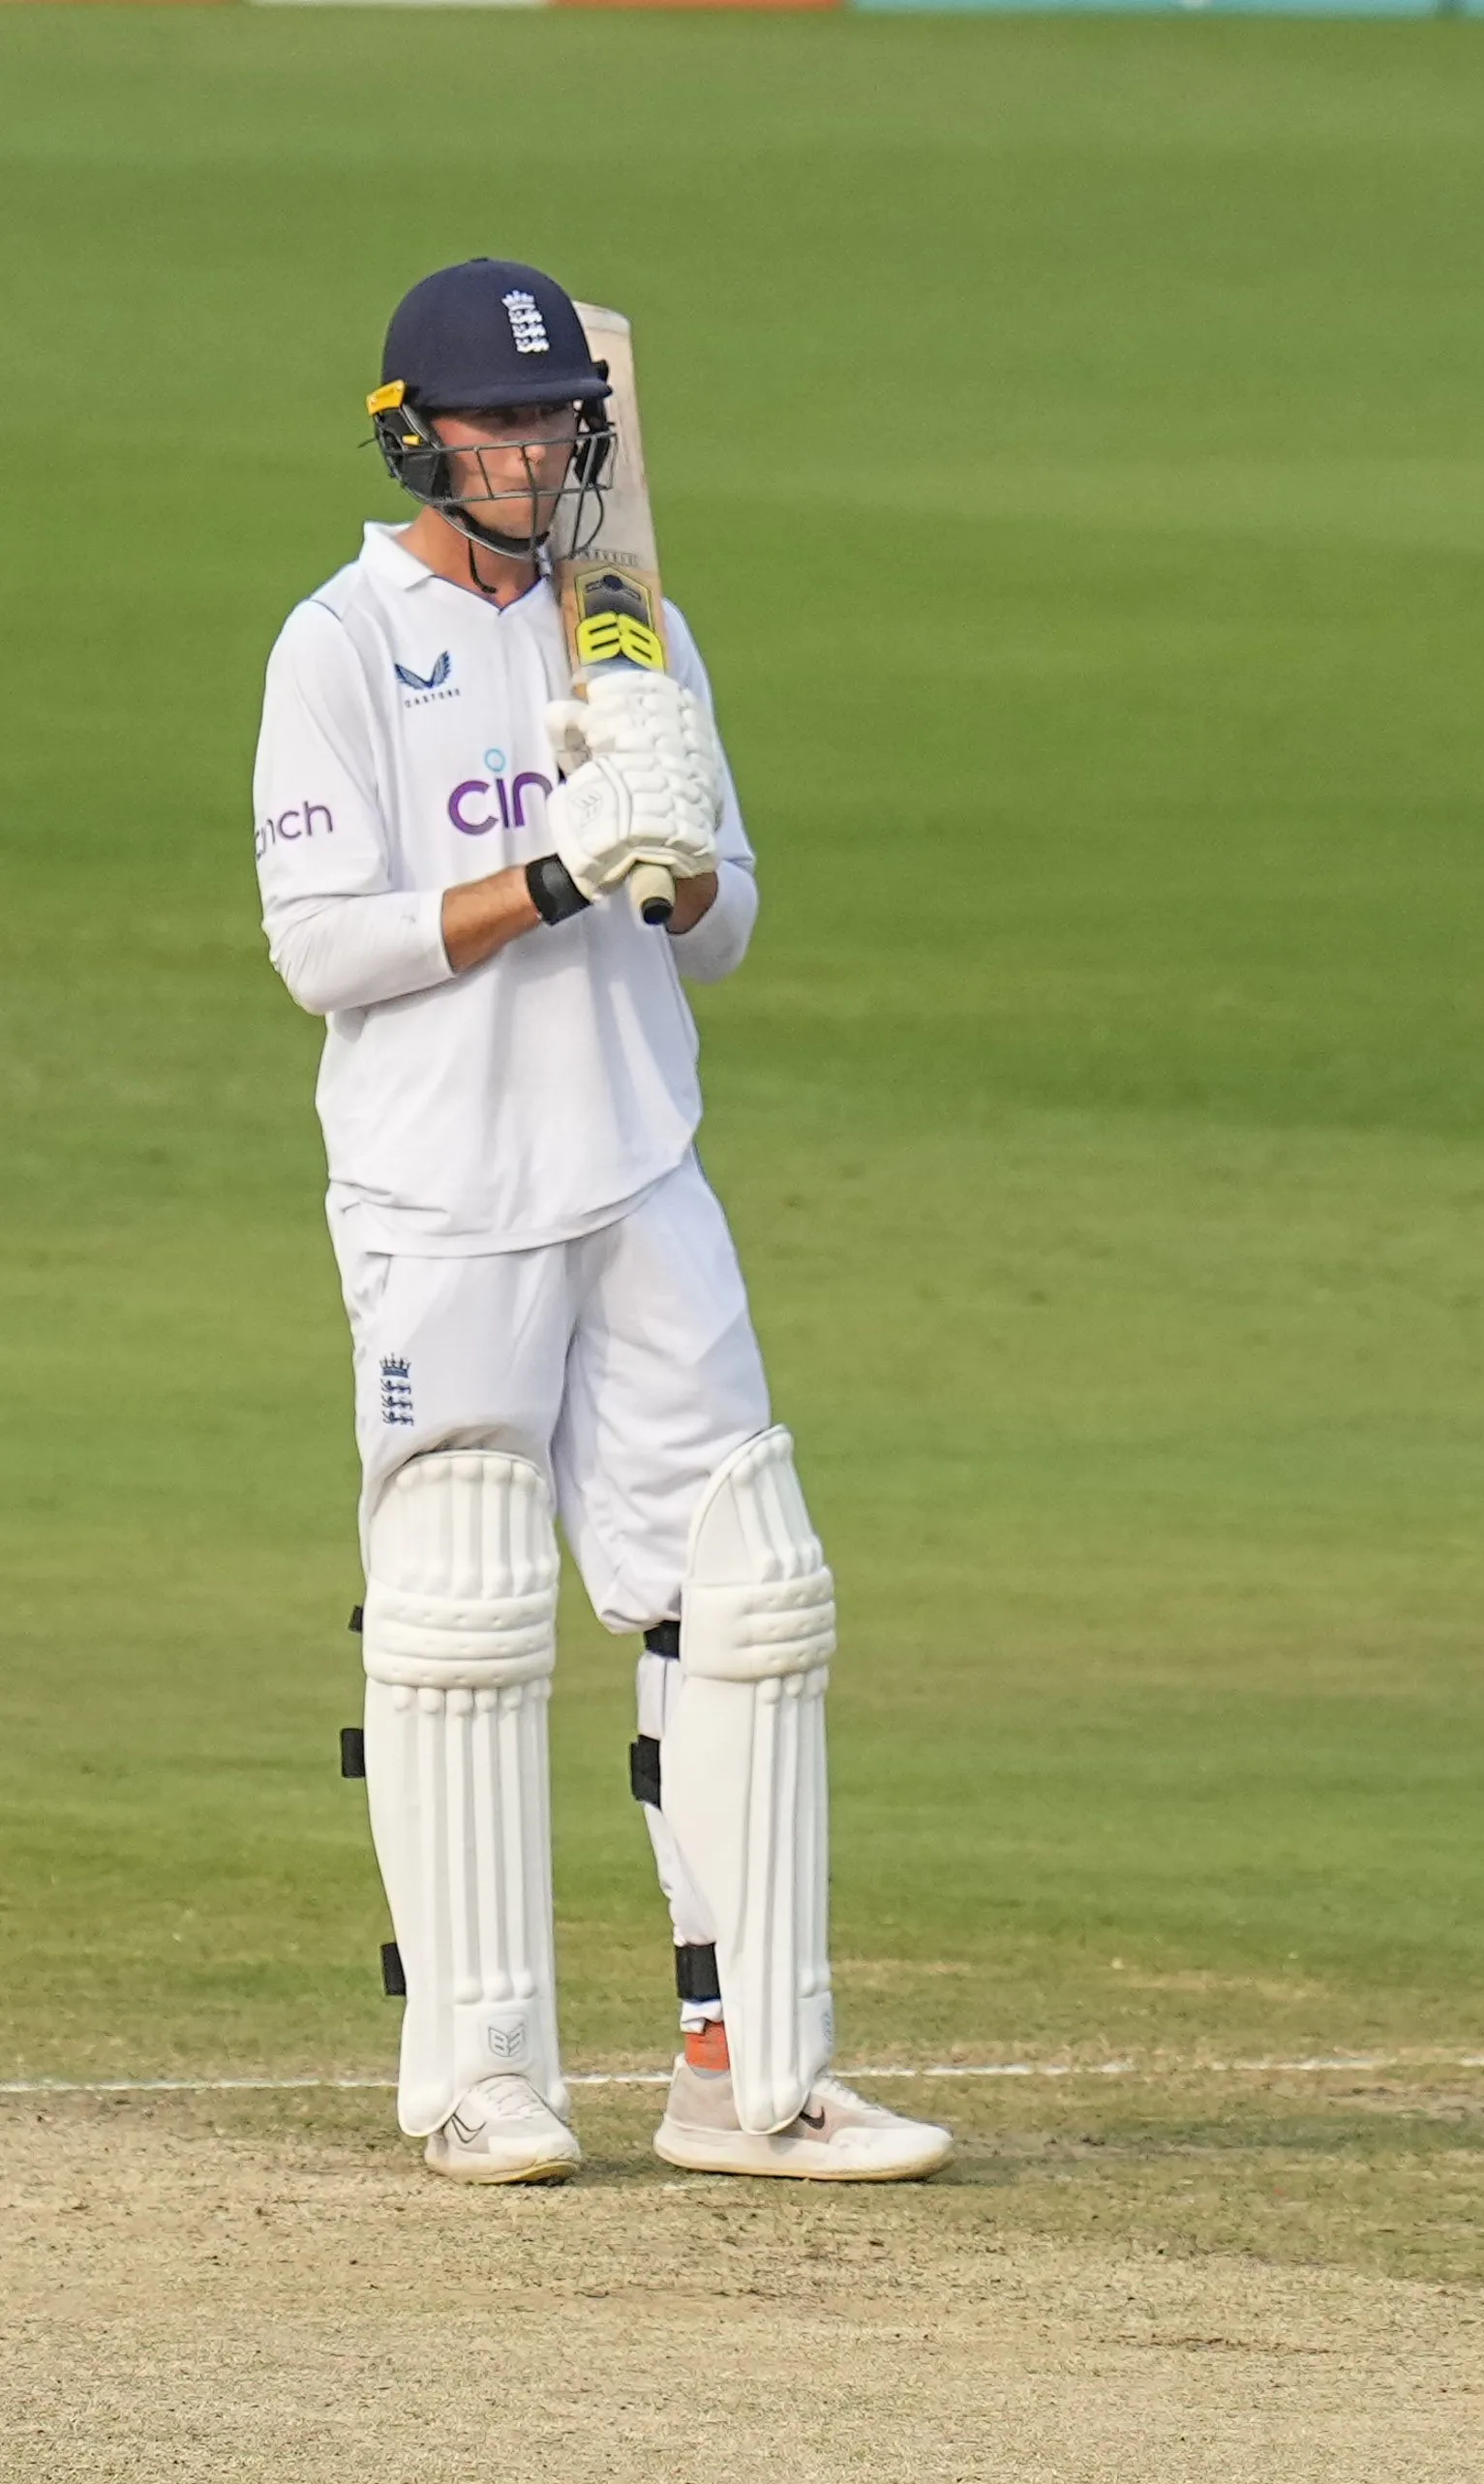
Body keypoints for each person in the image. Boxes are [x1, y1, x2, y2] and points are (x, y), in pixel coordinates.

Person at [251, 257, 949, 2185]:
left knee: (749, 1590)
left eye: (563, 421)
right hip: (443, 1196)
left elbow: (726, 932)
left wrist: (665, 843)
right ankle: (482, 2080)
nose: (540, 452)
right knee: (464, 1605)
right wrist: (548, 869)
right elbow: (322, 951)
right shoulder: (338, 645)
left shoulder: (630, 627)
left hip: (643, 1164)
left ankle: (754, 2074)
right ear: (417, 437)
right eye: (501, 422)